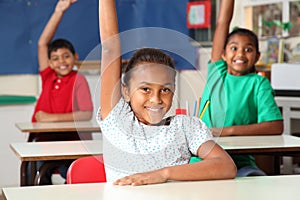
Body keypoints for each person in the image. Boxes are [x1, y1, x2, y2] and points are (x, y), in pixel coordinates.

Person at [97, 0, 236, 186]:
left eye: (165, 90)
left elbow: (226, 166)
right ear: (126, 91)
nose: (156, 99)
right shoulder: (117, 120)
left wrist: (163, 174)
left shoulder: (186, 127)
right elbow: (110, 47)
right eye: (145, 89)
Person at [199, 0, 283, 177]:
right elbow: (222, 23)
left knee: (254, 180)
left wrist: (227, 131)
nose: (240, 54)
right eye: (234, 48)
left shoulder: (258, 83)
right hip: (201, 159)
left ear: (257, 56)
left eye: (248, 49)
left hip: (239, 162)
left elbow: (275, 126)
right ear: (223, 54)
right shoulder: (217, 75)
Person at [30, 0, 93, 185]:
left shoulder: (78, 79)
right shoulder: (48, 76)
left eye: (66, 56)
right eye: (55, 58)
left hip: (72, 141)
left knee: (73, 177)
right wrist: (59, 11)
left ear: (75, 57)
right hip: (44, 140)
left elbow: (86, 114)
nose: (61, 62)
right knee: (39, 176)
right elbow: (42, 43)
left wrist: (50, 118)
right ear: (49, 63)